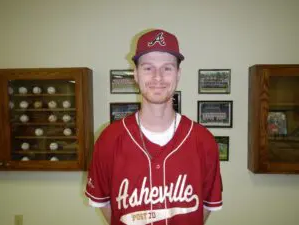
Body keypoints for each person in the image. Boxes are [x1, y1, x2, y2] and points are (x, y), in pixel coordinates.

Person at [85, 29, 223, 225]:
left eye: (167, 68)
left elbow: (206, 206)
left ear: (178, 74)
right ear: (135, 74)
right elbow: (107, 206)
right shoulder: (110, 139)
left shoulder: (203, 140)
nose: (157, 77)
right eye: (148, 68)